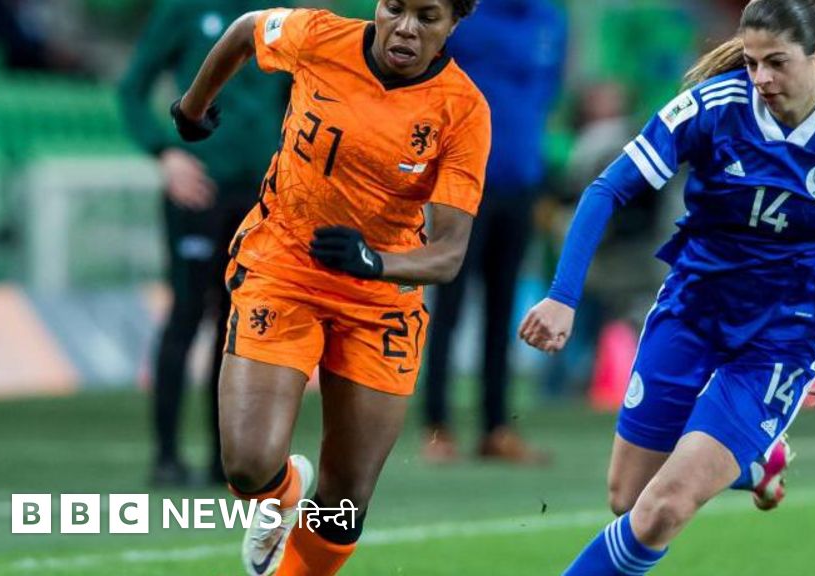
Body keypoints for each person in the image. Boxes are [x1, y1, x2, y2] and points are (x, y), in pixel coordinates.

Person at [519, 0, 815, 573]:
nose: (761, 78)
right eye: (751, 62)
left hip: (779, 342)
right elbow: (606, 190)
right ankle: (753, 461)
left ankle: (740, 444)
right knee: (627, 500)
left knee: (663, 508)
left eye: (777, 62)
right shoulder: (713, 108)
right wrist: (563, 296)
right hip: (690, 313)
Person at [170, 1, 488, 574]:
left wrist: (374, 262)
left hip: (380, 298)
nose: (405, 28)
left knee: (344, 501)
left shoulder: (462, 110)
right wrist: (192, 107)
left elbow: (447, 255)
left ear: (453, 24)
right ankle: (283, 493)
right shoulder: (317, 35)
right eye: (394, 7)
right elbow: (245, 31)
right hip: (284, 265)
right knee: (247, 466)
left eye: (427, 17)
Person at [118, 0, 290, 487]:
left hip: (260, 195)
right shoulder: (184, 8)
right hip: (199, 188)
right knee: (187, 313)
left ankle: (224, 458)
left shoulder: (284, 17)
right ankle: (167, 456)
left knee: (239, 323)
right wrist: (164, 152)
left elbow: (296, 99)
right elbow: (132, 89)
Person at [420, 0, 566, 465]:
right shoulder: (464, 16)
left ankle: (496, 428)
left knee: (504, 309)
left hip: (522, 181)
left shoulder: (549, 20)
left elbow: (547, 95)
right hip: (461, 183)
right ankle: (437, 427)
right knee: (449, 304)